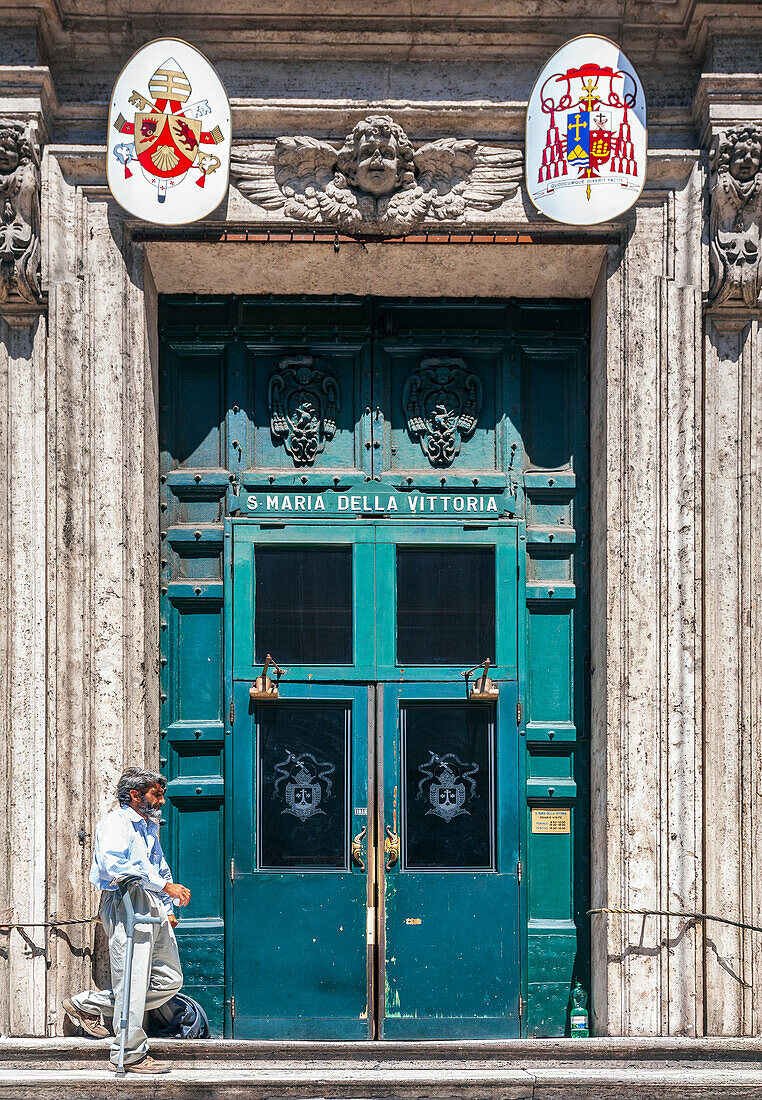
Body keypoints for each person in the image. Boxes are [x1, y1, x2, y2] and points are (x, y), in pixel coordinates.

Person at [62, 767, 191, 1074]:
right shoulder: (116, 823)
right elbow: (115, 864)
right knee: (131, 980)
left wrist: (166, 905)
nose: (161, 801)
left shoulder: (148, 826)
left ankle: (89, 1003)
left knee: (170, 979)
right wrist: (163, 888)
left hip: (150, 901)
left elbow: (158, 866)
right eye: (156, 795)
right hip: (126, 900)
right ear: (135, 795)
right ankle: (129, 1053)